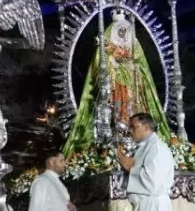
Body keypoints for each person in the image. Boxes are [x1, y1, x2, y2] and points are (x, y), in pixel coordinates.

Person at [64, 10, 172, 154]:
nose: (123, 34)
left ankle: (135, 131)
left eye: (124, 31)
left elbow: (137, 54)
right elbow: (101, 60)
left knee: (135, 105)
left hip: (134, 80)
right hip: (117, 80)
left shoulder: (131, 37)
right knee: (118, 107)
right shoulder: (108, 37)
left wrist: (124, 56)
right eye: (120, 32)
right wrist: (112, 57)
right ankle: (120, 132)